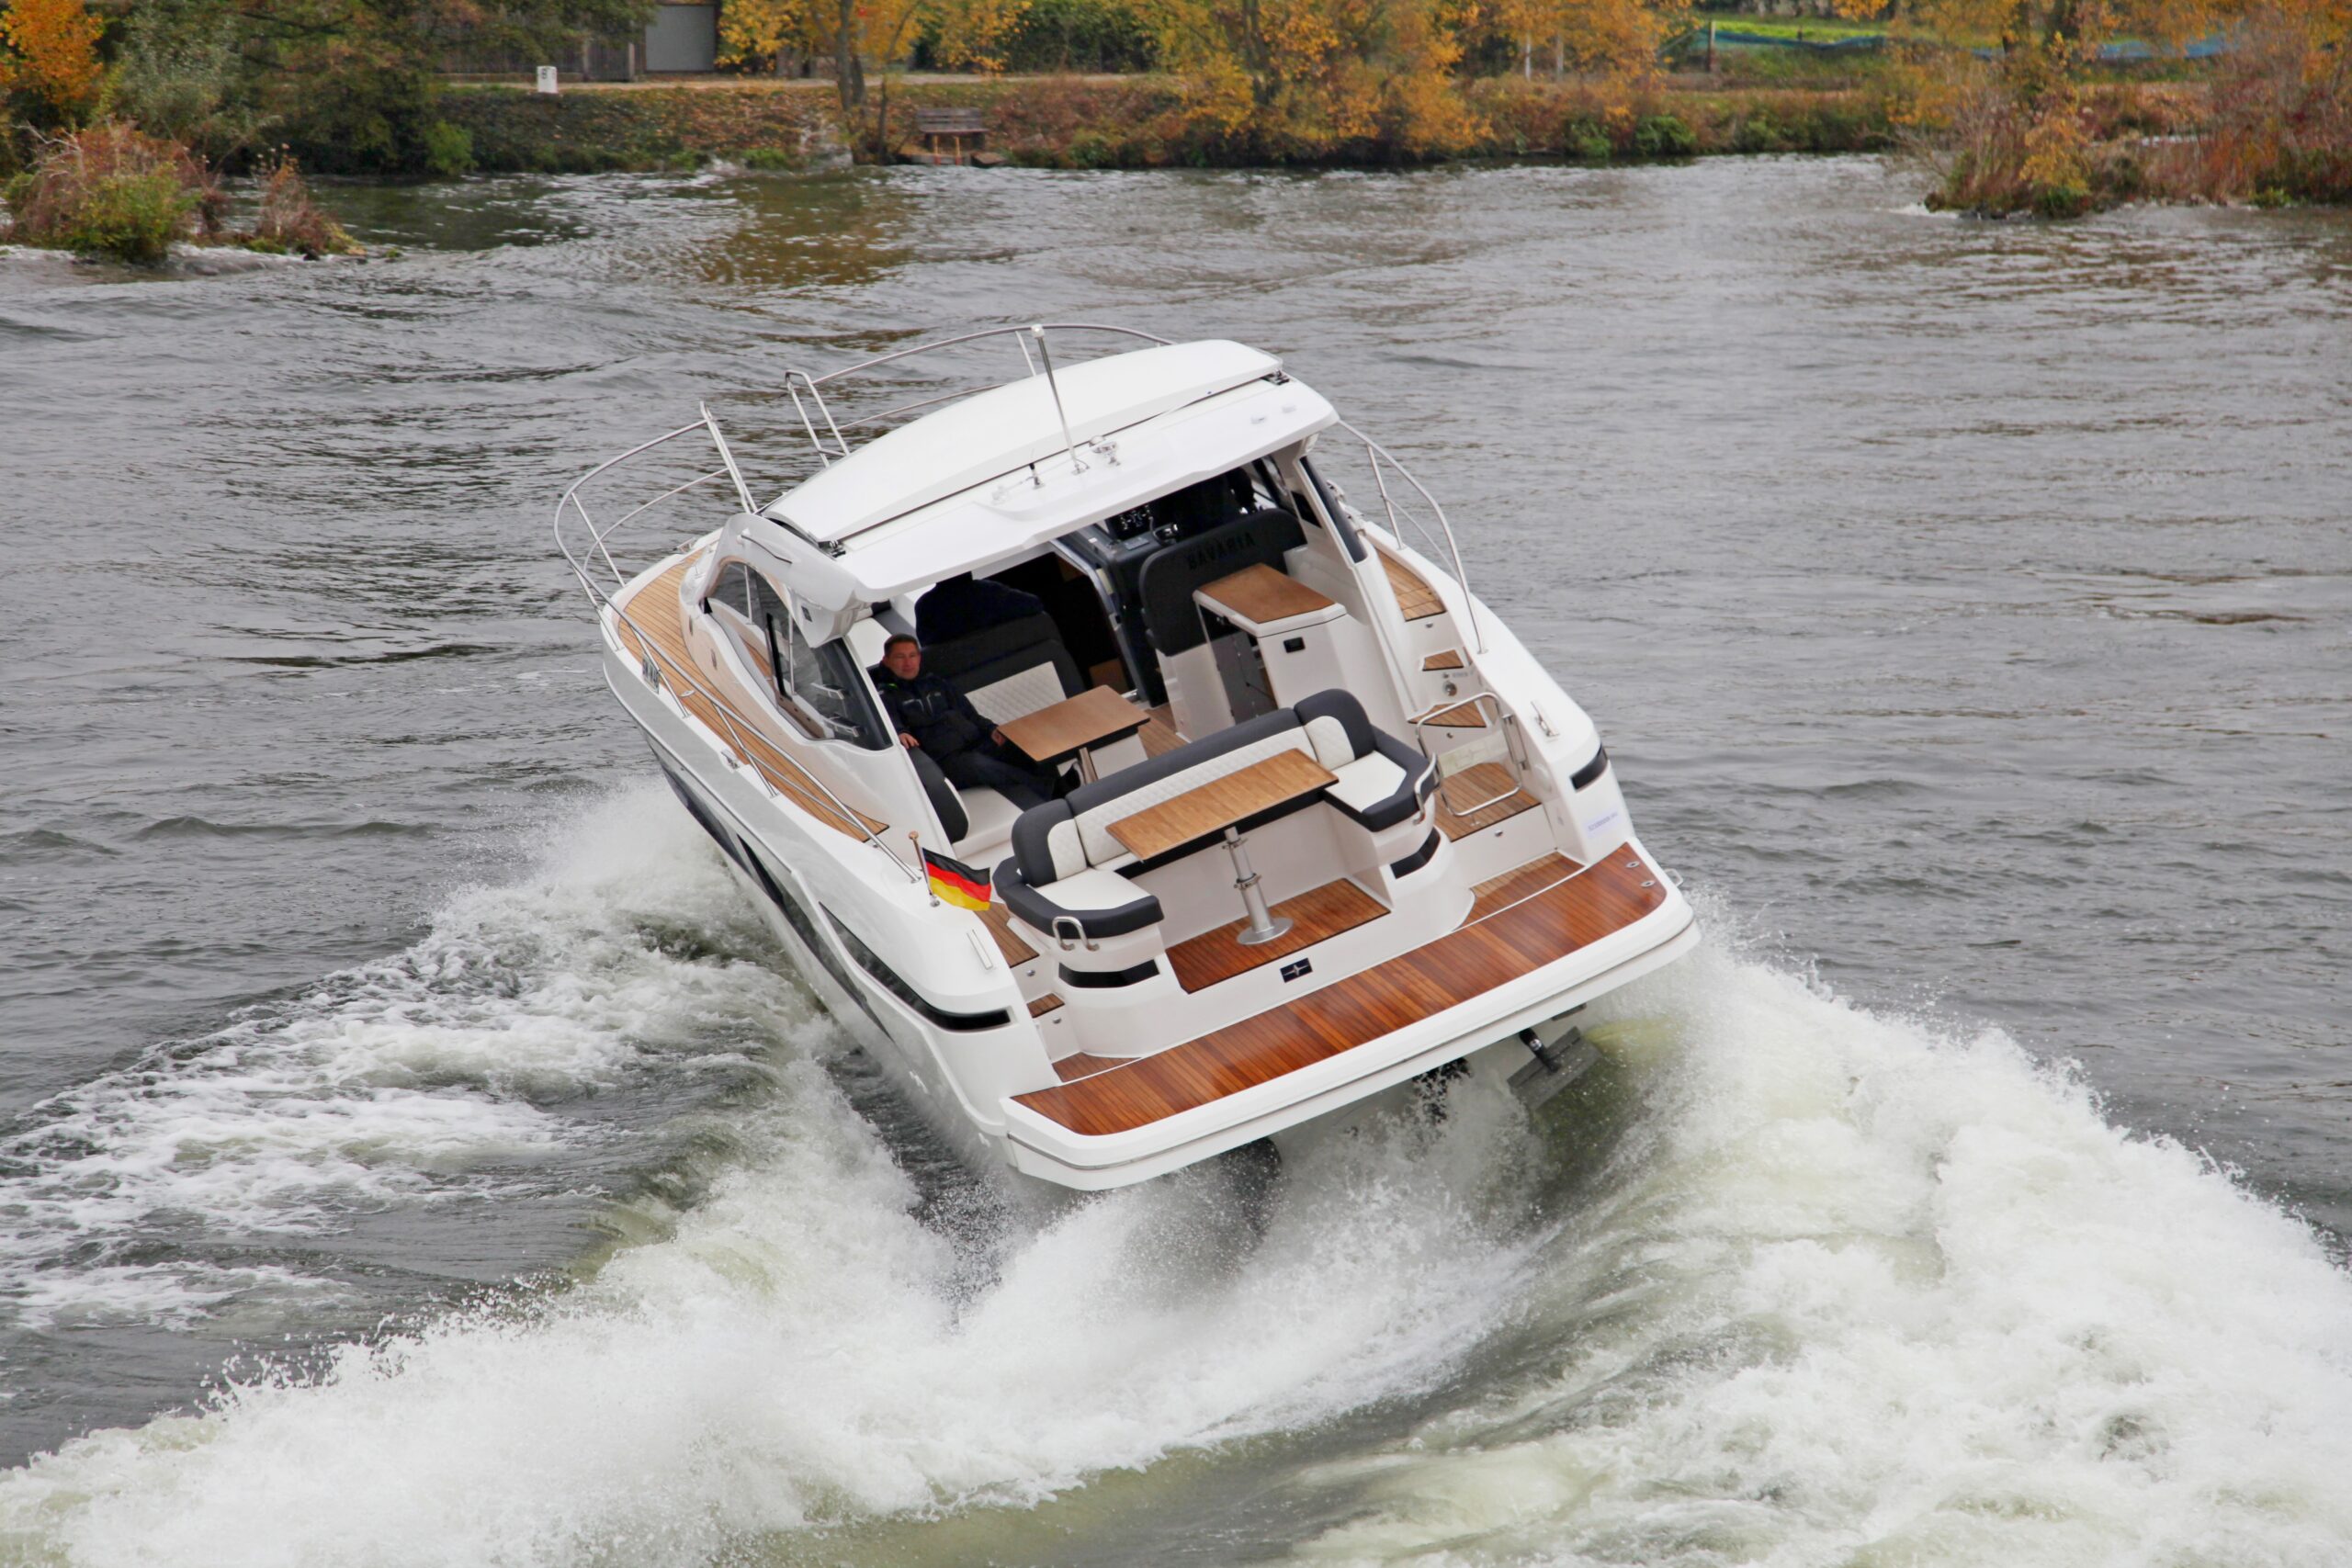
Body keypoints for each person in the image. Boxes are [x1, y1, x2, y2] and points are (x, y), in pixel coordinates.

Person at [873, 634, 1068, 810]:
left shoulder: (936, 683)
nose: (908, 663)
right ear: (886, 661)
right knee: (979, 765)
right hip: (947, 760)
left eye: (913, 655)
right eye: (900, 657)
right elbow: (891, 724)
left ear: (919, 658)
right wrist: (900, 732)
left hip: (976, 742)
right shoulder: (885, 696)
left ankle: (1058, 785)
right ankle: (1053, 790)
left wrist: (992, 729)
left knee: (1021, 743)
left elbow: (970, 714)